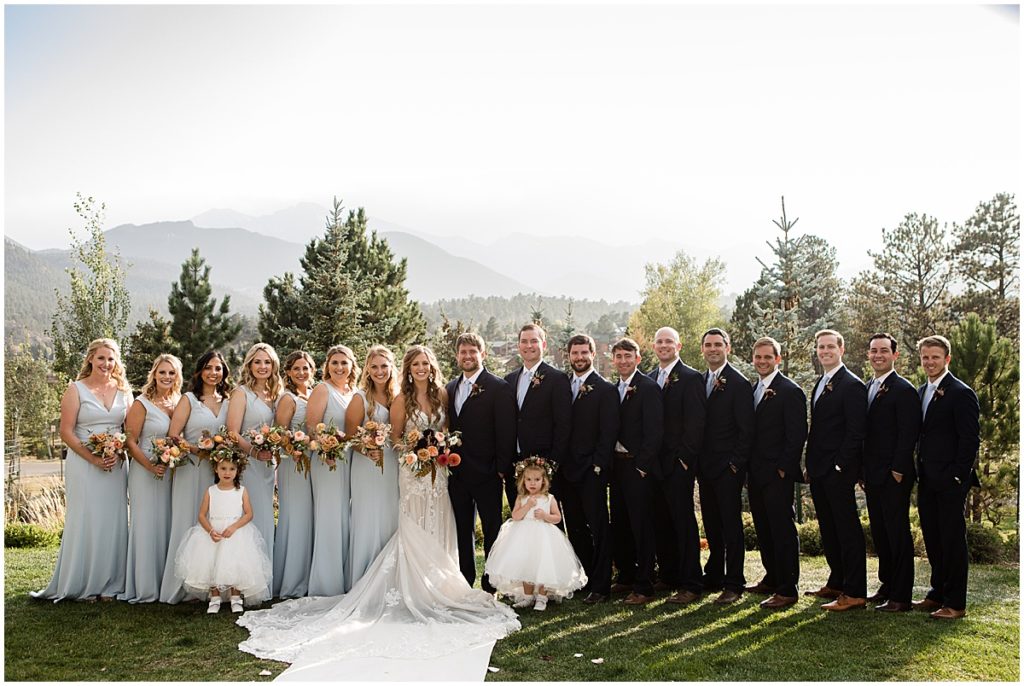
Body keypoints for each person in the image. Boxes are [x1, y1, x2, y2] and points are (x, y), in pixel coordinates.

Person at [237, 345, 519, 678]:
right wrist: (417, 452)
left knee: (438, 523)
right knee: (410, 524)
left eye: (425, 363)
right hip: (411, 472)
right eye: (415, 364)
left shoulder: (442, 394)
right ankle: (405, 585)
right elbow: (396, 438)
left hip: (438, 473)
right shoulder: (401, 400)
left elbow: (445, 432)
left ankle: (441, 585)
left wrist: (439, 448)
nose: (421, 368)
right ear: (406, 367)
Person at [31, 338, 132, 602]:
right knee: (87, 519)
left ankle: (111, 584)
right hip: (84, 464)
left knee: (114, 521)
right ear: (90, 359)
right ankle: (84, 584)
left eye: (111, 359)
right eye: (101, 358)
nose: (106, 364)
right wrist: (94, 458)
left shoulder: (124, 391)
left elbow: (129, 431)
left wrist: (118, 451)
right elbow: (66, 432)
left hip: (116, 465)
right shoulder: (75, 389)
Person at [913, 335, 980, 620]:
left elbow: (970, 439)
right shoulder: (921, 391)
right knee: (933, 538)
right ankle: (937, 593)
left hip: (951, 480)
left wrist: (957, 476)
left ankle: (955, 603)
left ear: (947, 359)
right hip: (927, 478)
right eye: (925, 357)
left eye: (935, 357)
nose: (929, 362)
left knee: (952, 541)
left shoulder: (960, 392)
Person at [445, 332, 516, 592]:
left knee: (492, 529)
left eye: (472, 351)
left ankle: (491, 583)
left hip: (488, 474)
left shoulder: (498, 387)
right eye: (463, 352)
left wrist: (500, 469)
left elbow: (506, 432)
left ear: (482, 354)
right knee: (462, 531)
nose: (467, 356)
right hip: (457, 474)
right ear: (457, 356)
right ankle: (465, 580)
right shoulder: (450, 388)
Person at [160, 350, 232, 604]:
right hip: (191, 468)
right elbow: (173, 435)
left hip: (218, 474)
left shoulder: (228, 400)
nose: (214, 373)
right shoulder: (188, 399)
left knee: (214, 524)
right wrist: (197, 449)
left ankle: (214, 586)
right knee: (189, 521)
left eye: (218, 368)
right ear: (200, 371)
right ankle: (184, 586)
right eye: (209, 368)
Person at [804, 329, 868, 611]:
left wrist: (840, 465)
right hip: (819, 469)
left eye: (830, 346)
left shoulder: (851, 384)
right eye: (821, 347)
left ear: (841, 349)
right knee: (829, 528)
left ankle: (854, 592)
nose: (825, 351)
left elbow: (856, 432)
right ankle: (837, 580)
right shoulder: (821, 382)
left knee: (846, 529)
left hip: (838, 470)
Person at [746, 337, 807, 610]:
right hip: (756, 473)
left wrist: (783, 469)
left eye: (767, 357)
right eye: (758, 357)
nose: (762, 361)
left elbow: (797, 436)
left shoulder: (789, 390)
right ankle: (771, 578)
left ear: (777, 359)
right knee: (764, 528)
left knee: (782, 529)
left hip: (777, 474)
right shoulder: (754, 389)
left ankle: (787, 588)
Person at [862, 333, 921, 613]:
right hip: (873, 473)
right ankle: (886, 586)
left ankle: (901, 596)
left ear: (895, 355)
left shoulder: (903, 389)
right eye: (874, 351)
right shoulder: (869, 386)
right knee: (881, 532)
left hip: (894, 475)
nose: (878, 355)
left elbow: (908, 434)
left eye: (884, 351)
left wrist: (898, 470)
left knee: (897, 533)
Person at [648, 326, 706, 605]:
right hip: (653, 465)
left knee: (683, 523)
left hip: (678, 464)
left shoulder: (691, 378)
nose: (663, 345)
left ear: (678, 345)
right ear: (653, 346)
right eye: (659, 341)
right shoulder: (647, 378)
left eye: (668, 341)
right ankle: (668, 575)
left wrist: (684, 461)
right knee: (660, 521)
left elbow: (695, 424)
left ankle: (691, 582)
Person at [559, 334, 618, 604]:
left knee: (599, 528)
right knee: (576, 528)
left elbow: (608, 433)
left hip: (591, 471)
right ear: (568, 356)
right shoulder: (563, 385)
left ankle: (602, 585)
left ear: (593, 354)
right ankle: (584, 579)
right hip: (567, 470)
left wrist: (597, 465)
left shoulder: (604, 389)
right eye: (575, 353)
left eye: (584, 353)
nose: (579, 357)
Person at [697, 327, 754, 604]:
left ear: (727, 348)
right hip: (705, 467)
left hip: (728, 469)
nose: (713, 349)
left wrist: (735, 465)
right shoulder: (700, 381)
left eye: (718, 344)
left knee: (731, 526)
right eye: (708, 345)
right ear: (702, 349)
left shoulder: (739, 383)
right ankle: (715, 574)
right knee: (711, 524)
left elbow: (746, 430)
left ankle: (734, 582)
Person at [120, 353, 183, 603]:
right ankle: (145, 586)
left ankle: (165, 583)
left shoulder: (179, 402)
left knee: (167, 523)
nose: (167, 377)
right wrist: (149, 465)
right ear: (154, 374)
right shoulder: (141, 403)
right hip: (145, 471)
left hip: (171, 471)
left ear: (177, 376)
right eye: (162, 372)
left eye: (172, 373)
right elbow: (130, 441)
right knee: (146, 525)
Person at [486, 458, 587, 611]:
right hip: (523, 537)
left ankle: (542, 597)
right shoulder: (522, 498)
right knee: (526, 565)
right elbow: (516, 516)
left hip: (544, 537)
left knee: (543, 565)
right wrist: (527, 506)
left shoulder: (549, 498)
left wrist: (546, 516)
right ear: (523, 481)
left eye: (537, 479)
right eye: (529, 480)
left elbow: (557, 517)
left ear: (544, 481)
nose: (532, 483)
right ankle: (527, 597)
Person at [175, 455, 272, 613]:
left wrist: (234, 527)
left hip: (236, 533)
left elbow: (248, 514)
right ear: (216, 469)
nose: (227, 472)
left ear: (237, 470)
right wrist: (211, 531)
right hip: (214, 532)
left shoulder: (241, 491)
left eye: (232, 469)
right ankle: (215, 597)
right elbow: (201, 515)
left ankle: (235, 597)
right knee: (212, 564)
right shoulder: (211, 491)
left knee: (235, 563)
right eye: (223, 468)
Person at [608, 337, 663, 605]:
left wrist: (643, 466)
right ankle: (627, 576)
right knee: (621, 523)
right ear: (613, 360)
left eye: (628, 356)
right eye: (618, 356)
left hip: (636, 466)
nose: (623, 361)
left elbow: (655, 431)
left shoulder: (648, 388)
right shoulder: (613, 388)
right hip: (616, 465)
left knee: (641, 525)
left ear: (638, 359)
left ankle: (644, 585)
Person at [226, 342, 282, 599]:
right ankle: (243, 585)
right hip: (248, 465)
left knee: (265, 521)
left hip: (268, 466)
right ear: (249, 364)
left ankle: (263, 581)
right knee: (249, 520)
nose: (262, 367)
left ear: (274, 367)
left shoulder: (277, 394)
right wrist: (254, 452)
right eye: (258, 362)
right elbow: (232, 432)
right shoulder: (241, 393)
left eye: (267, 362)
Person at [344, 345, 401, 587]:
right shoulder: (360, 398)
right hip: (367, 465)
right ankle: (363, 578)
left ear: (391, 367)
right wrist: (367, 449)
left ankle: (389, 577)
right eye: (375, 366)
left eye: (384, 366)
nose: (380, 371)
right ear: (367, 369)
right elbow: (349, 436)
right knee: (368, 517)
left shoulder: (398, 395)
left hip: (392, 463)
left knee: (390, 515)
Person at [305, 344, 357, 596]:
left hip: (351, 460)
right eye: (334, 363)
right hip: (328, 460)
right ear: (327, 366)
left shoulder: (354, 392)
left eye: (344, 362)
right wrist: (326, 448)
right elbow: (312, 426)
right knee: (329, 515)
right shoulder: (322, 389)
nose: (339, 367)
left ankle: (346, 577)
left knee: (345, 516)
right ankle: (327, 583)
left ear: (352, 366)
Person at [503, 323, 571, 508]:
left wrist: (552, 465)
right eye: (524, 341)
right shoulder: (509, 380)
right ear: (518, 346)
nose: (529, 345)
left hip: (543, 467)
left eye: (534, 341)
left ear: (544, 345)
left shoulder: (557, 379)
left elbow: (563, 425)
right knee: (519, 519)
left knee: (546, 522)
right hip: (514, 466)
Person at [272, 351, 316, 599]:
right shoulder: (288, 398)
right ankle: (291, 581)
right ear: (288, 372)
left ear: (312, 370)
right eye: (296, 368)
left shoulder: (312, 394)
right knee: (296, 517)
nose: (301, 373)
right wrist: (293, 449)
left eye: (306, 368)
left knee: (309, 517)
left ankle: (308, 575)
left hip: (313, 463)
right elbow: (279, 432)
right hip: (294, 463)